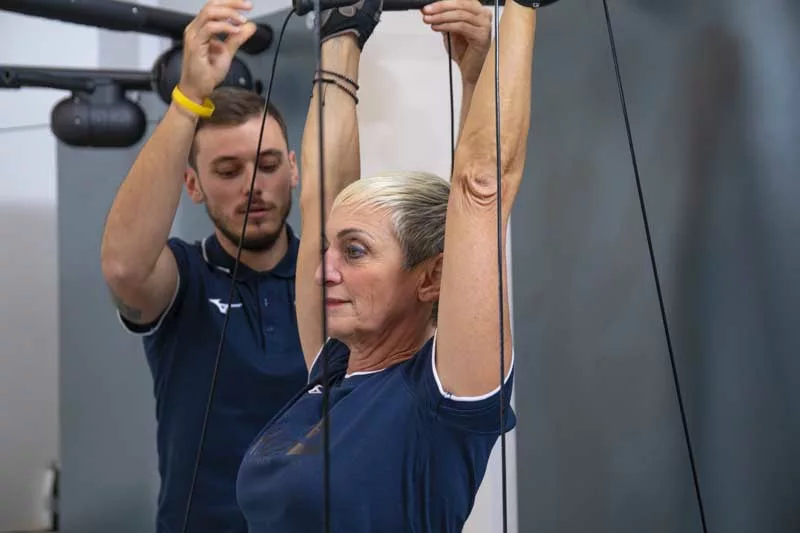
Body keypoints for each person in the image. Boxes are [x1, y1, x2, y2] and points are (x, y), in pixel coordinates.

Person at [235, 0, 536, 529]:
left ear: (432, 278)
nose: (322, 269)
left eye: (353, 252)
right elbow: (322, 194)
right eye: (329, 249)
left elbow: (480, 189)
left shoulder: (441, 397)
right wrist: (340, 33)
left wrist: (515, 18)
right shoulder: (330, 370)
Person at [100, 1, 310, 531]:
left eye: (266, 165)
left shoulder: (326, 276)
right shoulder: (184, 278)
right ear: (192, 186)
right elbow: (125, 268)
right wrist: (188, 99)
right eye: (227, 170)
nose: (252, 185)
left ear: (294, 172)